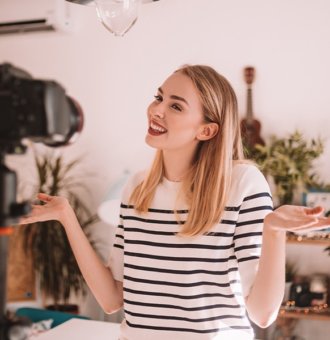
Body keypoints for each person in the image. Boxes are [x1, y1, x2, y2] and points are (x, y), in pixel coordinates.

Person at [20, 65, 330, 340]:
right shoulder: (137, 187)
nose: (156, 109)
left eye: (176, 106)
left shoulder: (243, 184)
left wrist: (273, 231)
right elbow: (112, 299)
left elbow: (262, 313)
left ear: (206, 130)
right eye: (159, 97)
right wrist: (66, 217)